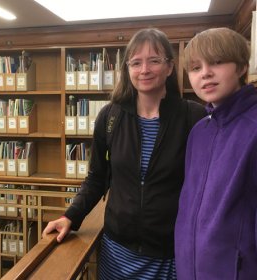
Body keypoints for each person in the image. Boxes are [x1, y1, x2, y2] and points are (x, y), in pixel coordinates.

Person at [42, 28, 205, 279]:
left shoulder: (194, 117)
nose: (144, 70)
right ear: (127, 69)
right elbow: (97, 178)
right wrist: (70, 216)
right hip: (117, 253)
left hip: (169, 255)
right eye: (136, 62)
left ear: (170, 67)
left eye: (154, 60)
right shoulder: (110, 116)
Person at [175, 27, 257, 279]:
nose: (206, 74)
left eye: (218, 62)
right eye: (196, 68)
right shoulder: (199, 131)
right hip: (191, 268)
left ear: (242, 67)